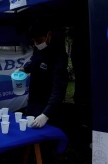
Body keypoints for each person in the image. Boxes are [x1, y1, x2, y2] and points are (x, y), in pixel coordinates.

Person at [17, 23, 69, 162]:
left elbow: (59, 90)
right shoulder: (38, 49)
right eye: (33, 41)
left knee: (46, 144)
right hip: (33, 101)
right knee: (29, 136)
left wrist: (46, 114)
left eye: (39, 40)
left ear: (49, 35)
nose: (36, 44)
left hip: (48, 106)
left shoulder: (58, 56)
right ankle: (31, 158)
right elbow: (34, 61)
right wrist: (24, 69)